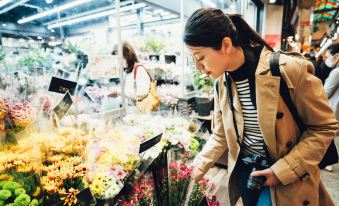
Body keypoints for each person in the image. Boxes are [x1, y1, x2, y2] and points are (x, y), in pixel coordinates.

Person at [184, 8, 338, 206]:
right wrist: (197, 166)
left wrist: (282, 170)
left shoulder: (286, 70)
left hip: (288, 179)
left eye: (200, 57)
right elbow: (221, 134)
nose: (198, 67)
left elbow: (324, 127)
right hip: (248, 177)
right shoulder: (222, 83)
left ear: (225, 44)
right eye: (193, 59)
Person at [323, 43, 339, 172]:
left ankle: (327, 161)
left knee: (326, 136)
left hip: (332, 109)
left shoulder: (337, 72)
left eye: (328, 55)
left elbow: (324, 92)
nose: (326, 58)